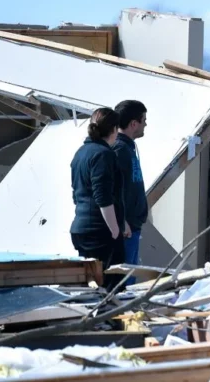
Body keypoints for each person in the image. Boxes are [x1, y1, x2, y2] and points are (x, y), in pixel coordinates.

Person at [70, 108, 126, 290]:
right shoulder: (103, 154)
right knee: (110, 287)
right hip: (100, 232)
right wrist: (115, 229)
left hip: (82, 228)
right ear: (114, 129)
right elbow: (103, 196)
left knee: (89, 286)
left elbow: (76, 193)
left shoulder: (81, 152)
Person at [113, 100, 148, 286]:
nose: (146, 125)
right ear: (134, 124)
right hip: (125, 230)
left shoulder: (128, 148)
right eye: (144, 120)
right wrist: (122, 219)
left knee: (130, 279)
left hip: (133, 228)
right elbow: (110, 189)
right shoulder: (119, 150)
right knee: (124, 282)